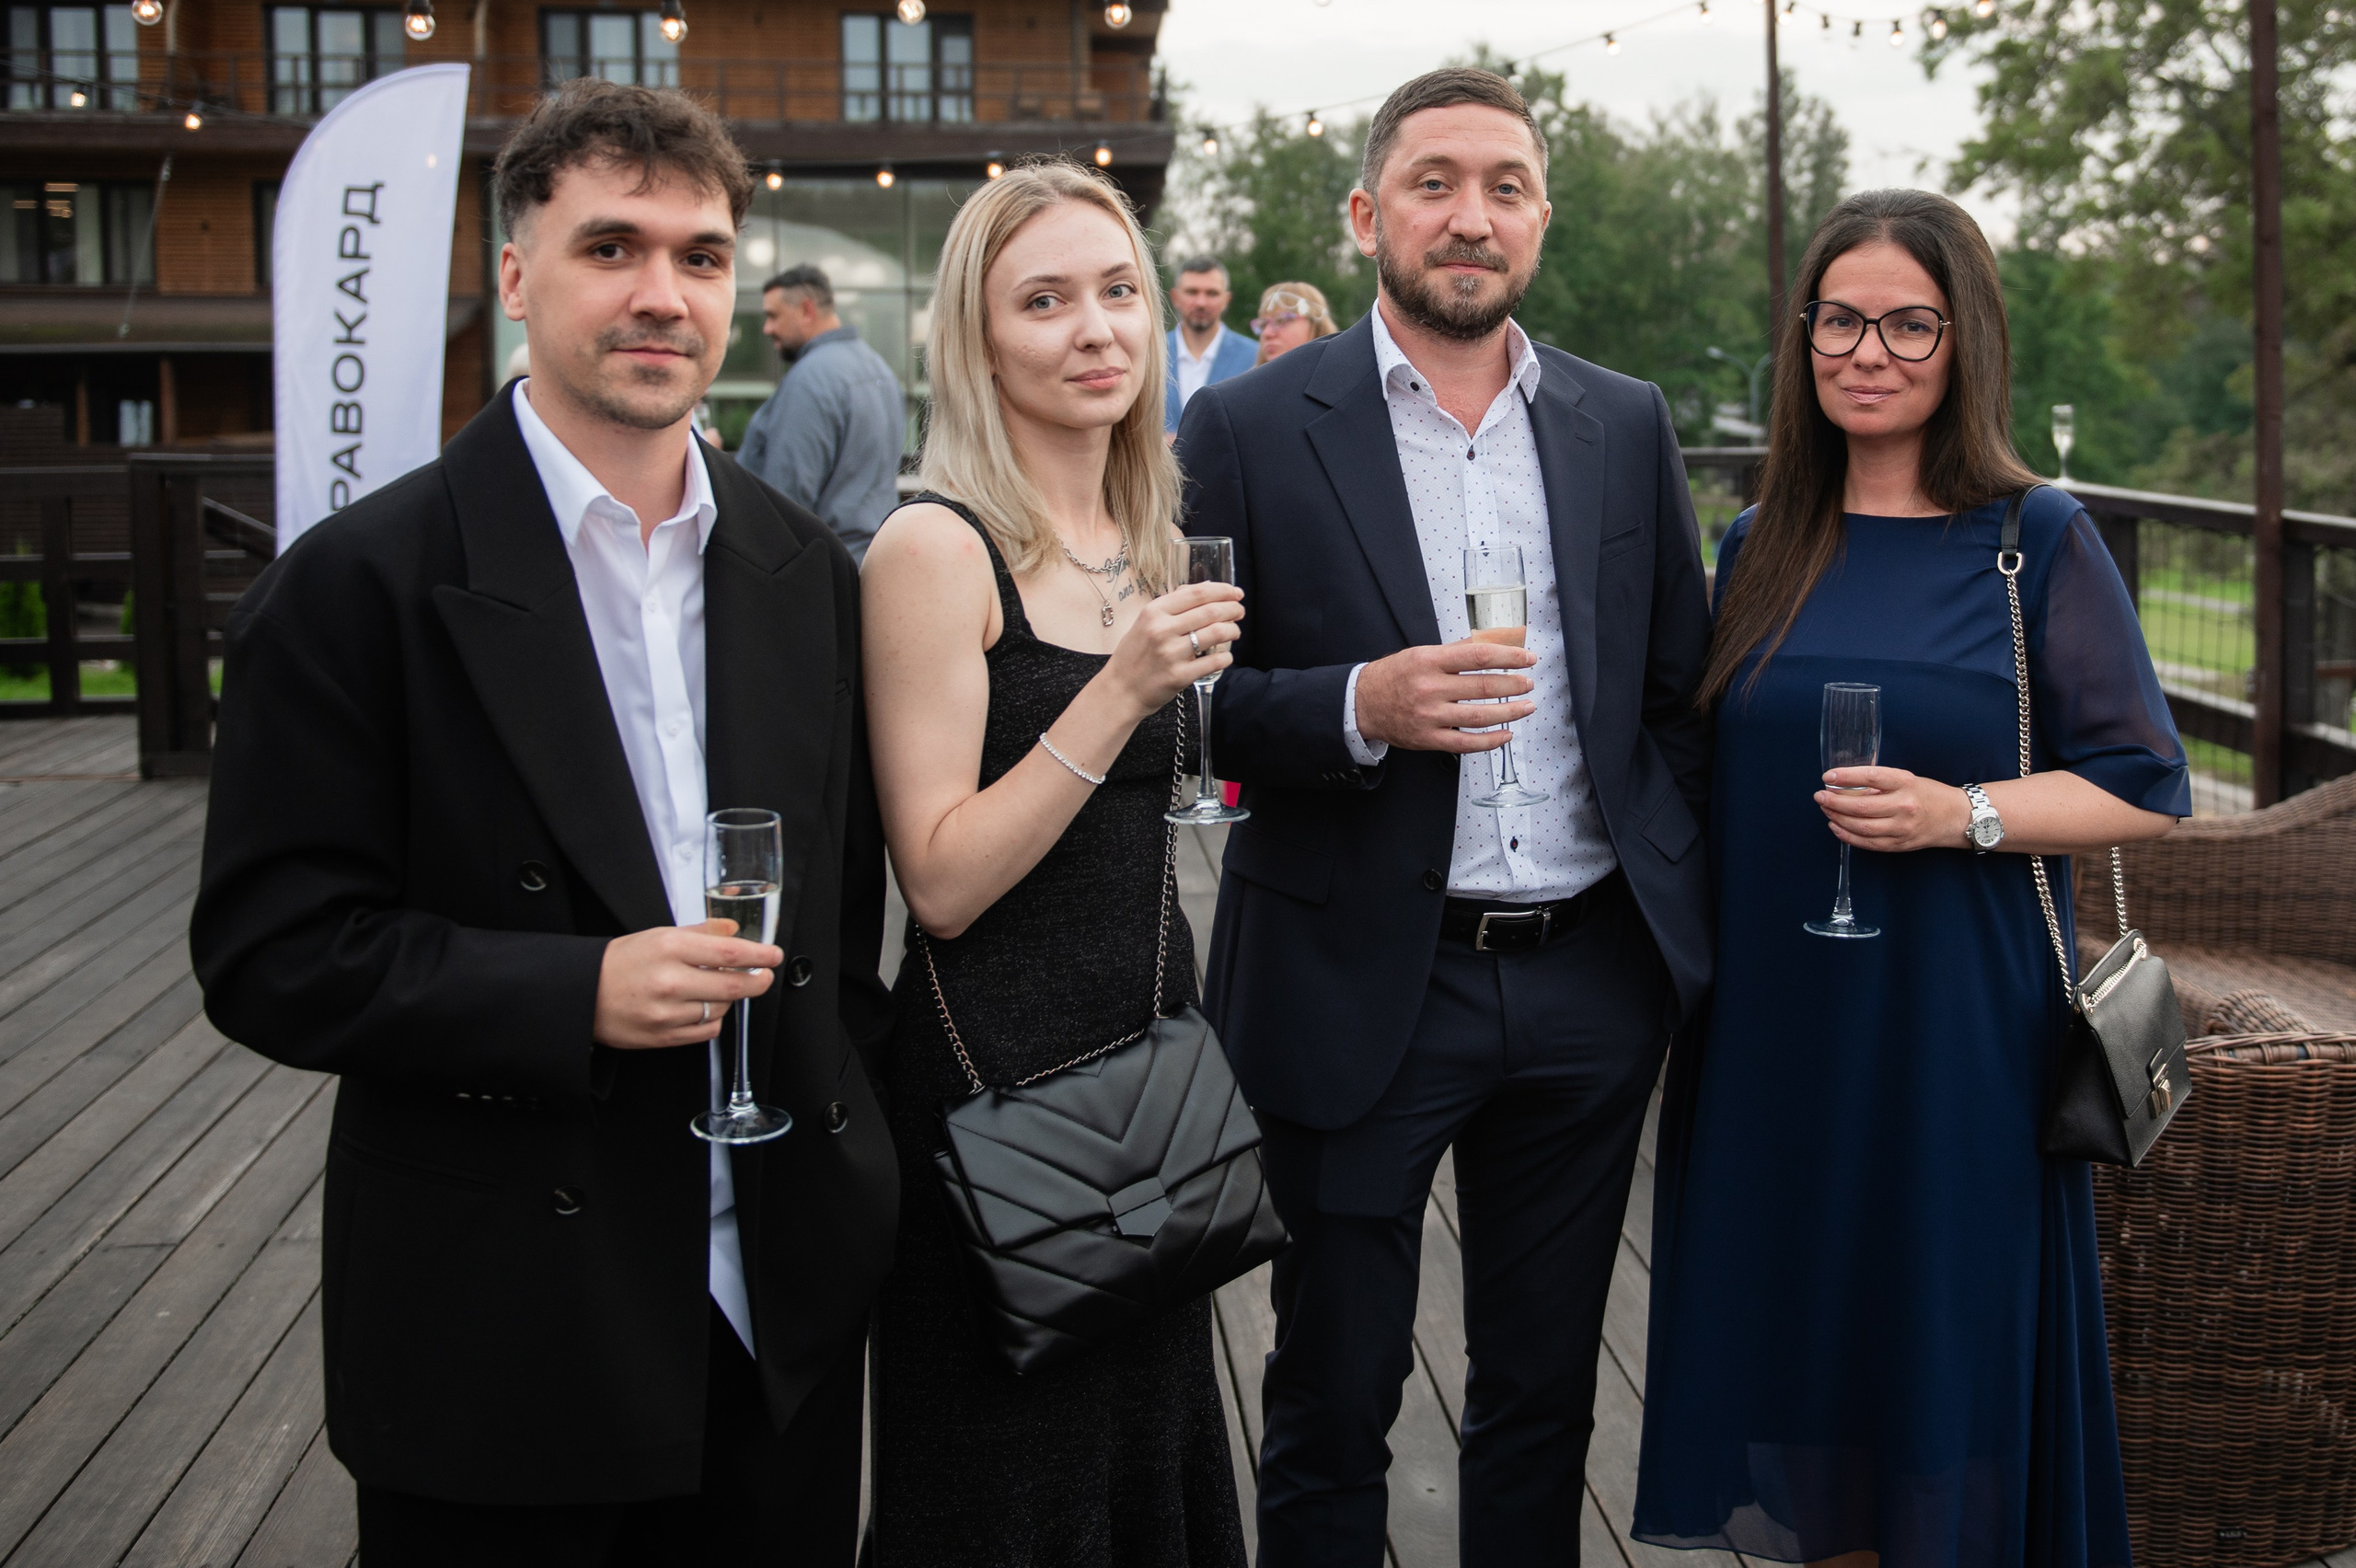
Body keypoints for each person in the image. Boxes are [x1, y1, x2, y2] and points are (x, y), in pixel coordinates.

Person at [190, 79, 898, 1567]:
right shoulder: (356, 585)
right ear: (516, 275)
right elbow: (270, 951)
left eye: (702, 256)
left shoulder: (806, 575)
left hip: (774, 1323)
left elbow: (840, 931)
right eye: (610, 247)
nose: (663, 295)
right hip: (504, 1326)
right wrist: (573, 990)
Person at [1177, 68, 1715, 1566]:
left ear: (1540, 218)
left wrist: (1661, 929)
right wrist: (1361, 703)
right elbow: (1186, 706)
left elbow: (1675, 696)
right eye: (1434, 183)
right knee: (1333, 1397)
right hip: (1355, 981)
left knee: (1544, 1400)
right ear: (1368, 214)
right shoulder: (1247, 425)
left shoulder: (1624, 420)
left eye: (1505, 187)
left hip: (1589, 983)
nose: (1470, 217)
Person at [1633, 189, 2188, 1566]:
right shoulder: (1758, 542)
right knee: (1807, 1356)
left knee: (1940, 1355)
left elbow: (2143, 781)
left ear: (1964, 341)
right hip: (1773, 1034)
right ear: (1802, 336)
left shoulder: (2031, 538)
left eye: (1907, 324)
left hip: (1956, 1033)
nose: (1866, 352)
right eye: (1839, 320)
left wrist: (1963, 814)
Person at [860, 160, 1251, 1565]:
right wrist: (1120, 692)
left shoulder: (1144, 542)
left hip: (1146, 1067)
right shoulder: (933, 546)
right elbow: (940, 881)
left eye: (1118, 291)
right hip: (993, 1086)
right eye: (1044, 301)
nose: (1096, 328)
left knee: (1145, 1467)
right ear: (976, 340)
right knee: (1009, 1492)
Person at [737, 262, 907, 561]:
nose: (767, 329)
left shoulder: (810, 380)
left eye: (773, 316)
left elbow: (784, 504)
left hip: (824, 569)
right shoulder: (879, 369)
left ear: (806, 310)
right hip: (872, 561)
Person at [1162, 255, 1255, 433]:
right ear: (1175, 297)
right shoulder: (1149, 354)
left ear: (1226, 300)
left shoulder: (1254, 358)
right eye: (1192, 292)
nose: (1201, 303)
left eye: (1212, 293)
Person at [1251, 280, 1340, 364]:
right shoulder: (1251, 375)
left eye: (1280, 320)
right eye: (1262, 325)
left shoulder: (1341, 373)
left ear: (1316, 325)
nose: (1267, 333)